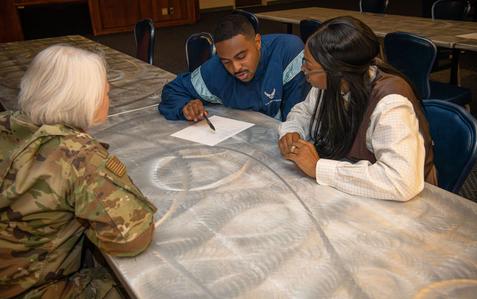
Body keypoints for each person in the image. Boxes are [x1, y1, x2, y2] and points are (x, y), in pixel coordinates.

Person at [0, 45, 156, 298]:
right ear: (86, 100)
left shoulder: (6, 122)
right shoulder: (77, 155)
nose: (109, 94)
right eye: (105, 91)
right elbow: (131, 238)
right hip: (31, 289)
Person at [278, 16, 437, 201]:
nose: (302, 69)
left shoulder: (391, 103)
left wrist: (318, 168)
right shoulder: (332, 83)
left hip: (405, 204)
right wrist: (292, 131)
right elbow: (304, 112)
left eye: (309, 66)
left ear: (337, 72)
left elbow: (401, 181)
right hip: (356, 190)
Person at [159, 14, 309, 122]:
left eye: (241, 56)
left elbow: (298, 120)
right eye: (226, 61)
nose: (236, 68)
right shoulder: (215, 68)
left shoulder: (288, 53)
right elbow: (173, 90)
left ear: (257, 42)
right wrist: (185, 106)